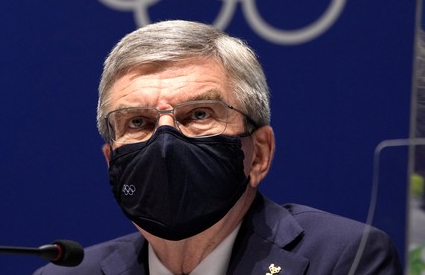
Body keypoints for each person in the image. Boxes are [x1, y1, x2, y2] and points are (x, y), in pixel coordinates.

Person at [34, 20, 402, 275]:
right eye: (138, 122)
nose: (165, 144)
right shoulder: (66, 272)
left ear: (258, 153)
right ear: (111, 160)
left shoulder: (342, 259)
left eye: (197, 114)